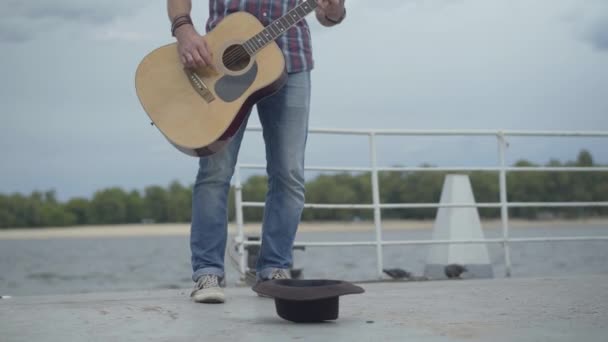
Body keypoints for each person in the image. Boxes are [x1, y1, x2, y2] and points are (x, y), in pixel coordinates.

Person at [166, 0, 347, 303]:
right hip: (217, 65)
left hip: (291, 64)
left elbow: (328, 16)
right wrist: (183, 29)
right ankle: (207, 273)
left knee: (289, 173)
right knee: (215, 172)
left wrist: (333, 11)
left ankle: (275, 270)